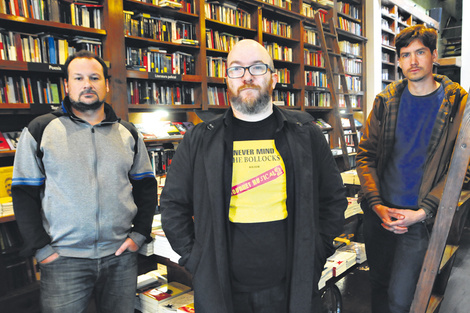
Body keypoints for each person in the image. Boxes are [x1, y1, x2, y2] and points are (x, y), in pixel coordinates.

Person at [160, 39, 347, 313]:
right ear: (227, 80)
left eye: (257, 68)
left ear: (273, 77)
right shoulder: (199, 139)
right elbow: (173, 204)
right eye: (236, 69)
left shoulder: (306, 134)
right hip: (222, 289)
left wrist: (317, 251)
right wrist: (195, 258)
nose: (247, 76)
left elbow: (333, 198)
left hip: (291, 287)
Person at [11, 50, 157, 313]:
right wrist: (42, 249)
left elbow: (146, 187)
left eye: (94, 77)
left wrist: (139, 234)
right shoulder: (40, 130)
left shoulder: (129, 133)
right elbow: (23, 194)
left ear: (107, 85)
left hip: (120, 257)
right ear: (67, 86)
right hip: (64, 259)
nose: (87, 84)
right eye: (78, 78)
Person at [356, 25, 468, 313]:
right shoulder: (386, 100)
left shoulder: (458, 104)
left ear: (434, 55)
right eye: (405, 55)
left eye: (420, 52)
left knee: (401, 300)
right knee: (378, 288)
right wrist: (377, 205)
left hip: (419, 218)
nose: (413, 61)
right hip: (380, 215)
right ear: (400, 61)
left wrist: (423, 212)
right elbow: (365, 155)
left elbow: (462, 170)